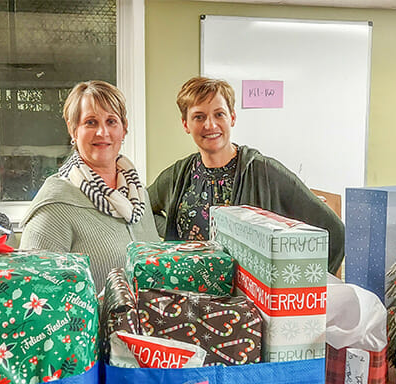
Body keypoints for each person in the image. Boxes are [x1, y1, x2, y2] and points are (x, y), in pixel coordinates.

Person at [147, 77, 345, 274]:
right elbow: (144, 209)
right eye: (199, 117)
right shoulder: (178, 175)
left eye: (219, 114)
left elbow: (335, 231)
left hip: (248, 302)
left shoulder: (266, 172)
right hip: (190, 296)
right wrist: (170, 229)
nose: (210, 125)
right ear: (185, 124)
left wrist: (301, 283)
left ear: (232, 117)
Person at [20, 81, 159, 291]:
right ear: (73, 129)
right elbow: (35, 294)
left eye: (111, 121)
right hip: (91, 324)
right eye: (91, 122)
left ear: (124, 128)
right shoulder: (54, 205)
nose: (102, 132)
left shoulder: (138, 196)